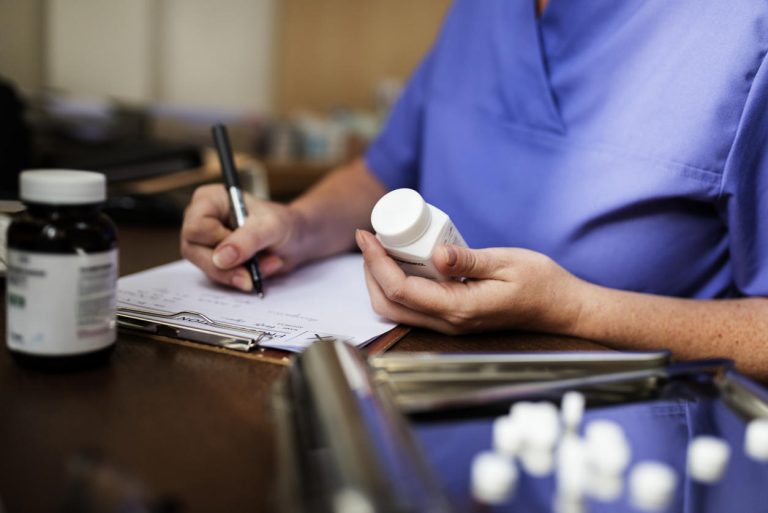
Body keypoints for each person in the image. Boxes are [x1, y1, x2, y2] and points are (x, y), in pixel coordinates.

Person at [182, 0, 768, 380]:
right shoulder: (482, 10)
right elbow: (384, 173)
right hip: (421, 392)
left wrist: (572, 309)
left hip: (639, 427)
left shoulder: (741, 28)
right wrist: (296, 224)